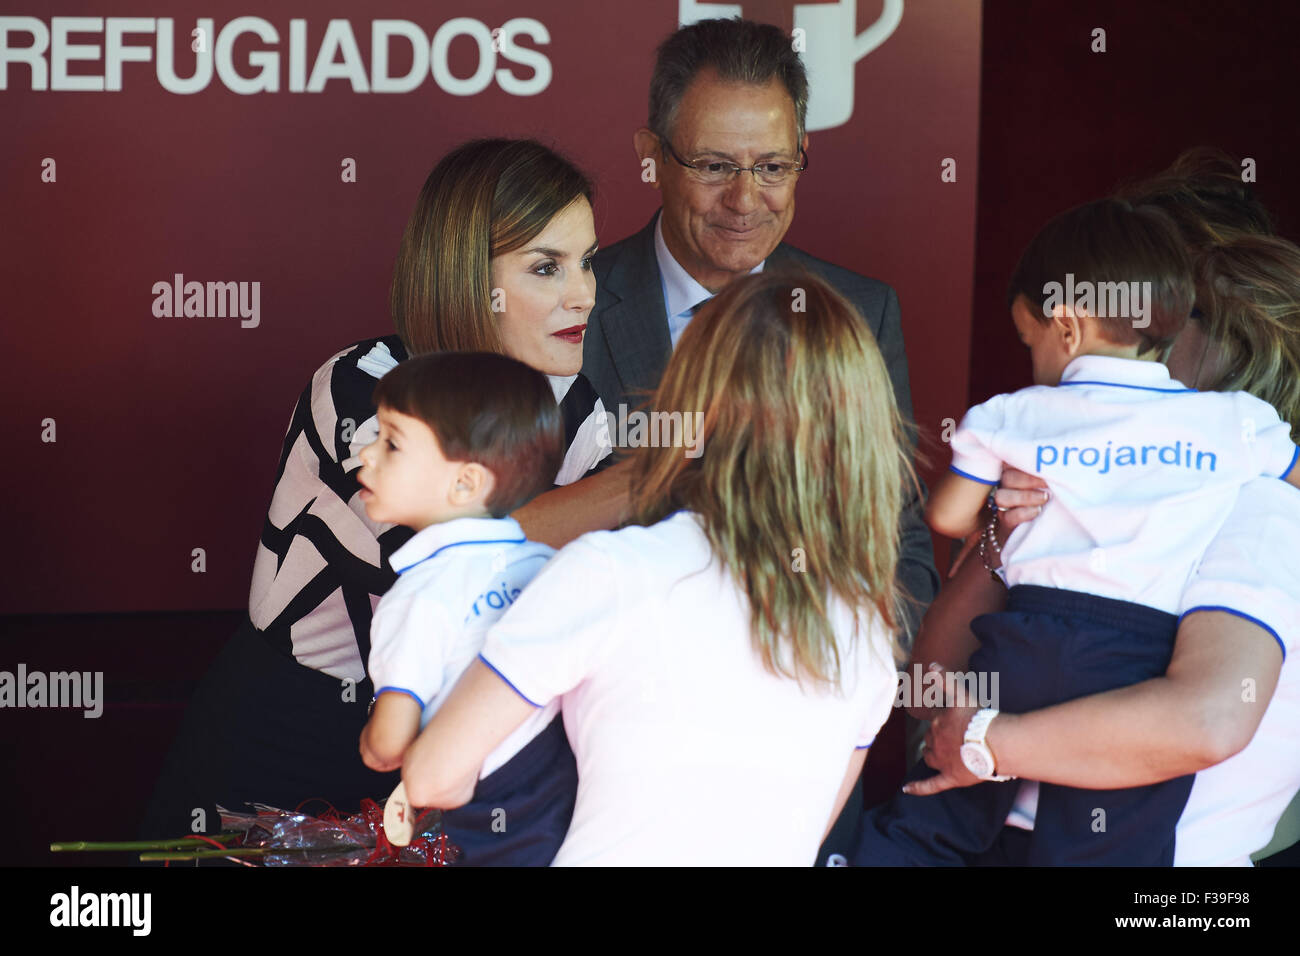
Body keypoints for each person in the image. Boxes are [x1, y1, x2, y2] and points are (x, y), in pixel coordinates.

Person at [139, 139, 614, 839]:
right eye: (546, 267)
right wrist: (655, 481)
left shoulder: (578, 408)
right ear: (462, 276)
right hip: (289, 736)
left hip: (462, 743)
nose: (584, 293)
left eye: (588, 261)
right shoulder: (363, 386)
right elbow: (452, 547)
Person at [862, 152, 1300, 866]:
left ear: (1219, 332)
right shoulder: (1068, 467)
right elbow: (931, 687)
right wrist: (1000, 532)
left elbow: (1209, 718)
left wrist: (985, 744)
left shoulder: (1260, 509)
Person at [400, 271, 909, 865]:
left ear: (695, 404)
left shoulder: (610, 573)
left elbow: (432, 777)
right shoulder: (868, 629)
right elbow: (802, 830)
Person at [581, 17, 939, 860]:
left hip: (797, 761)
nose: (746, 200)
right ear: (652, 153)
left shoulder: (860, 310)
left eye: (773, 166)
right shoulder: (574, 298)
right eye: (713, 165)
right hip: (603, 759)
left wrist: (831, 675)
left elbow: (903, 544)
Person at [355, 351, 577, 864]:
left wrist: (372, 746)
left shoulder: (420, 594)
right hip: (568, 800)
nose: (364, 455)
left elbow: (390, 741)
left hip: (490, 815)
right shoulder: (550, 565)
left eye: (390, 443)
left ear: (466, 483)